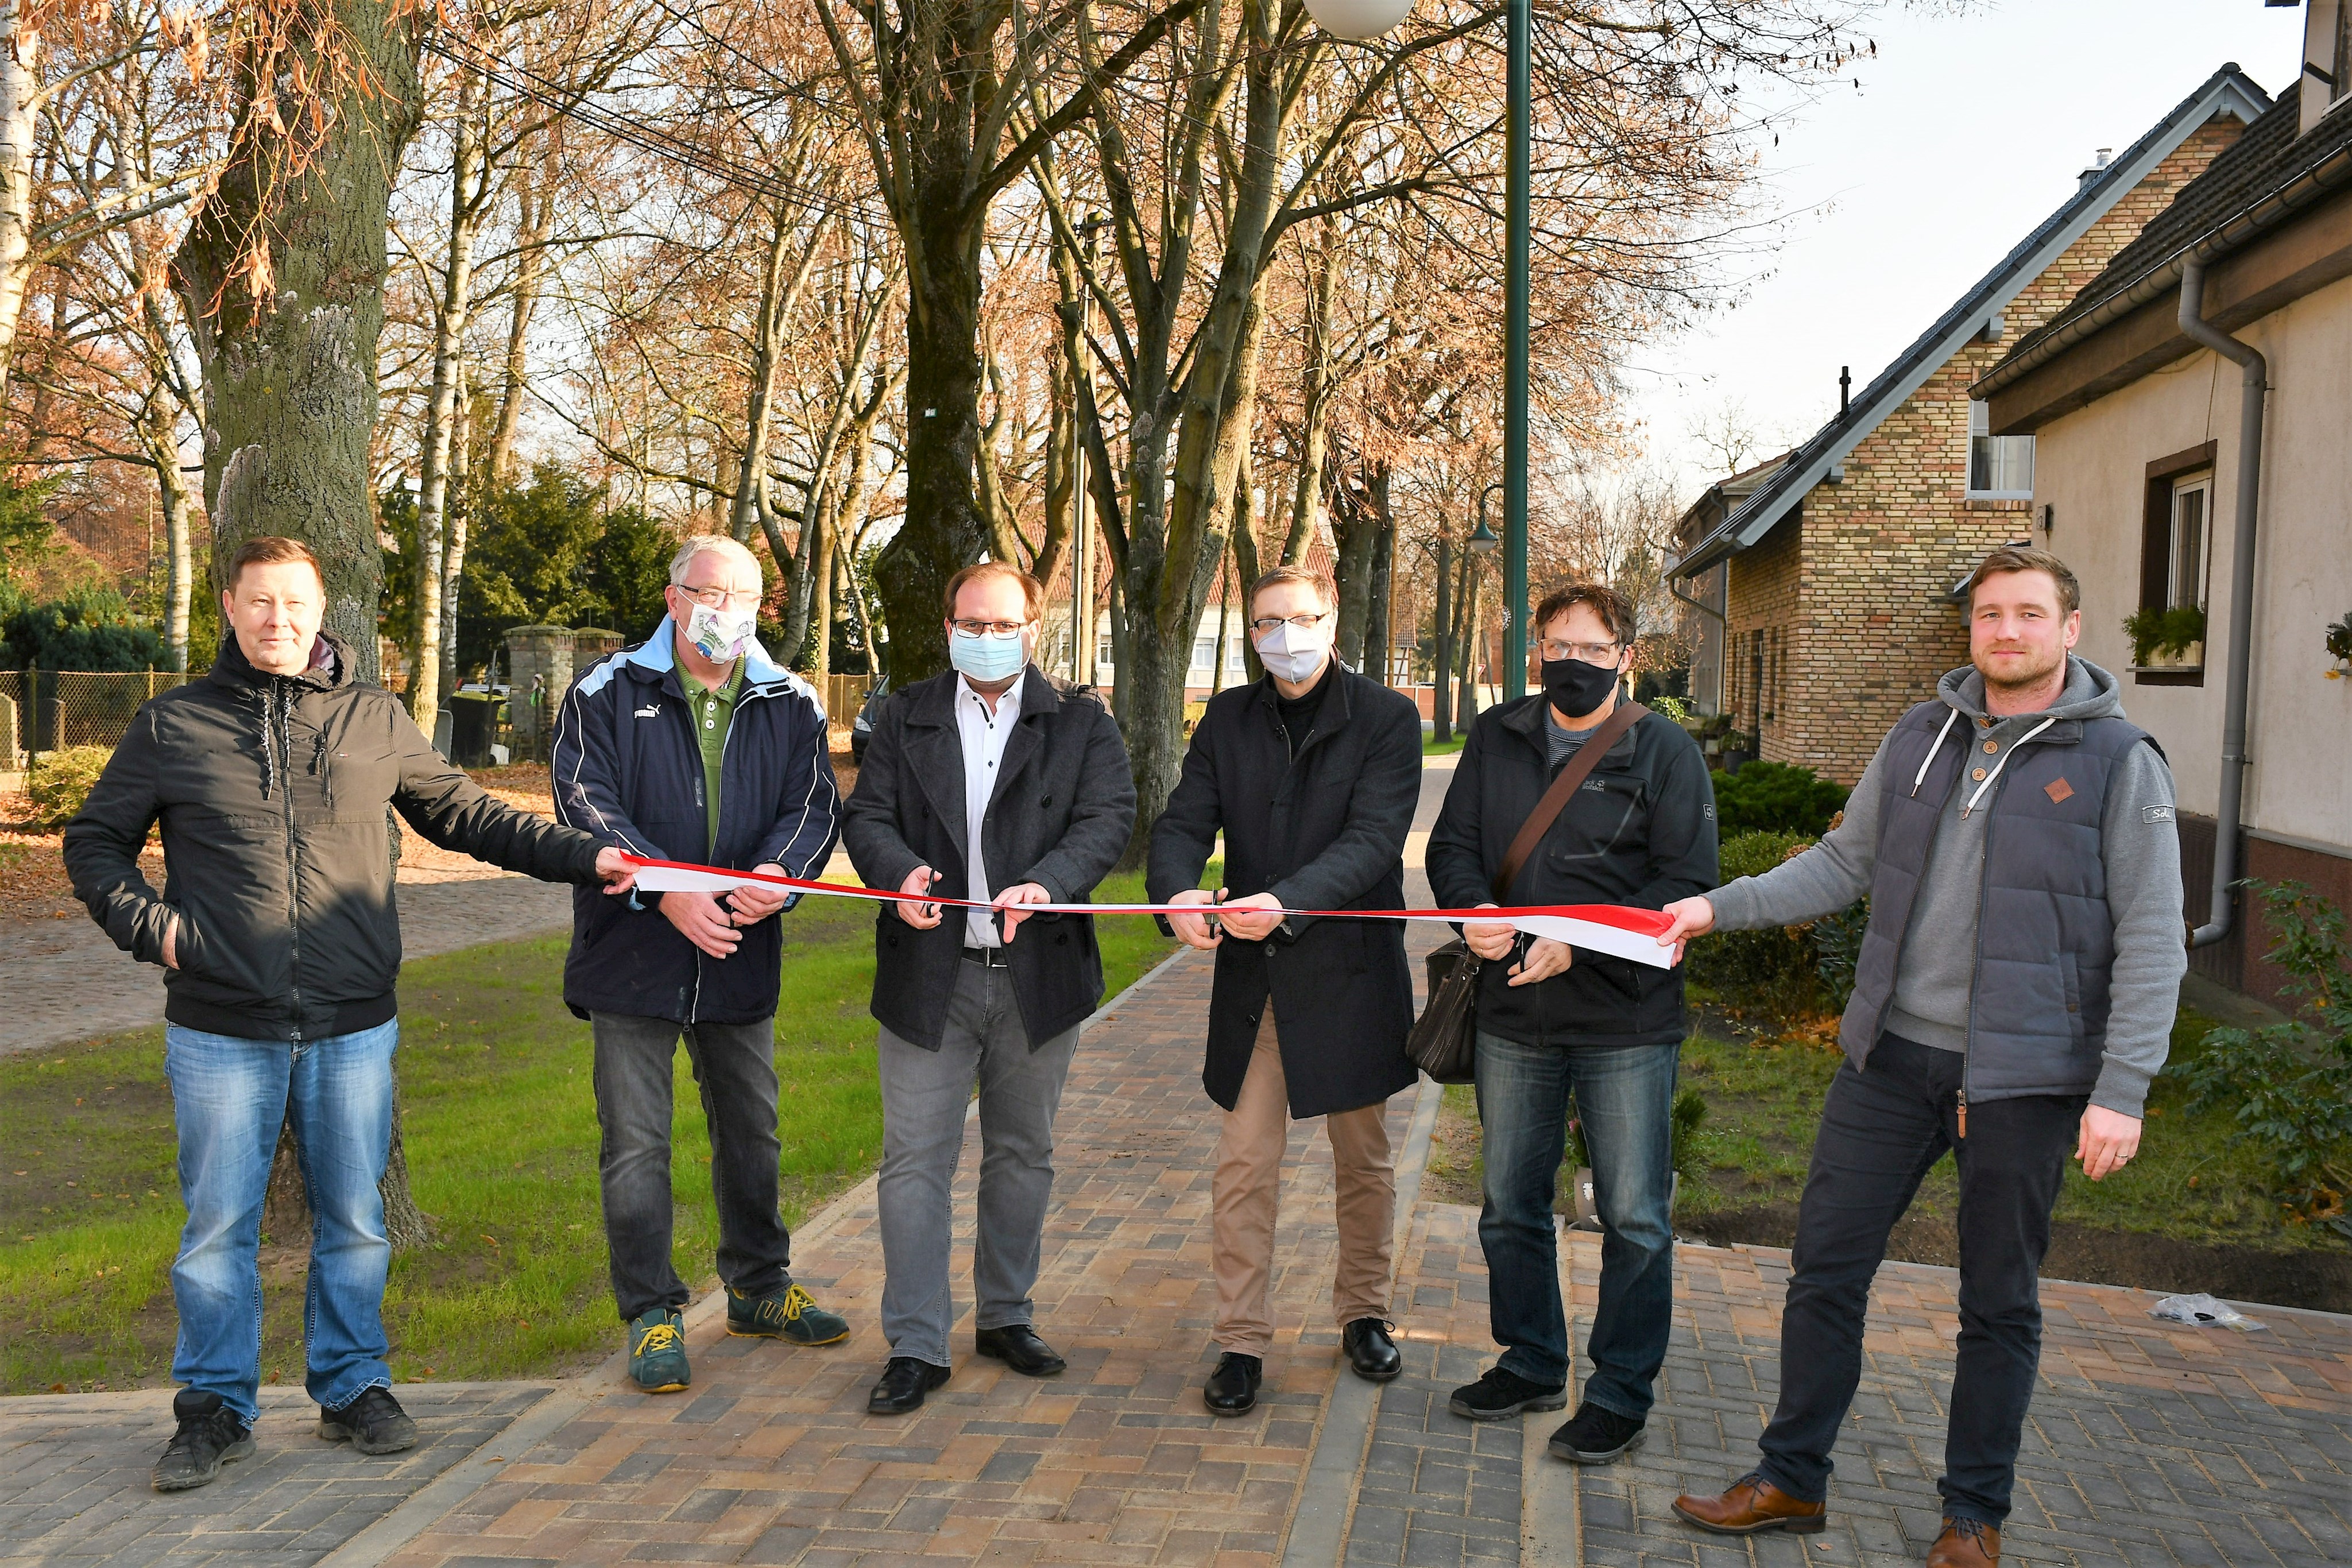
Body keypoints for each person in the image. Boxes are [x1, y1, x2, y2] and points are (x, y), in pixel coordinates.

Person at [64, 536, 637, 1493]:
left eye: (295, 603)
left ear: (323, 609)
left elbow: (468, 815)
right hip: (218, 1025)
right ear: (229, 610)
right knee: (216, 1232)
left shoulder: (375, 719)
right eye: (259, 603)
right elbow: (95, 845)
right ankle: (213, 1410)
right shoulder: (173, 724)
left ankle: (353, 1387)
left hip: (351, 1023)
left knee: (356, 1222)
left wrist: (590, 857)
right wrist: (156, 932)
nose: (277, 620)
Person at [1658, 547, 2184, 1568]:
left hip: (2026, 1083)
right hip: (1890, 1062)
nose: (2008, 632)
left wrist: (2123, 1088)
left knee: (1997, 1305)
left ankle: (1973, 1517)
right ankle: (1791, 1480)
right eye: (1990, 615)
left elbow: (2154, 936)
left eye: (2030, 614)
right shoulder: (1922, 734)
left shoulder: (2122, 762)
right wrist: (1715, 908)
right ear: (1971, 630)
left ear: (2070, 629)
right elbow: (1842, 864)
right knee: (1824, 1268)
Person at [1424, 580, 1719, 1462]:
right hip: (1514, 1011)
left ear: (1627, 658)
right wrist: (1472, 909)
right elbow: (1452, 847)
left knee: (1632, 1215)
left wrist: (1580, 946)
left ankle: (1621, 1392)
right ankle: (1531, 1359)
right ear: (1537, 653)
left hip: (1625, 1020)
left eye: (1594, 650)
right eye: (1560, 646)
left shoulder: (1666, 752)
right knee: (1511, 1202)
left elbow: (1684, 883)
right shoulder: (1498, 734)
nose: (1574, 664)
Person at [552, 535, 850, 1395]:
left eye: (746, 597)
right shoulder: (604, 692)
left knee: (751, 1131)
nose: (727, 612)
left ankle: (759, 1288)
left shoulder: (791, 700)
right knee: (637, 1144)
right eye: (710, 593)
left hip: (739, 952)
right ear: (675, 598)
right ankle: (652, 1313)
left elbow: (813, 807)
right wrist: (666, 889)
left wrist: (777, 879)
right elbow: (583, 800)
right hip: (633, 953)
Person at [841, 561, 1135, 1415]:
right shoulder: (903, 717)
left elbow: (1109, 818)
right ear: (948, 627)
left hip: (1039, 978)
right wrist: (899, 874)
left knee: (1022, 1156)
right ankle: (916, 1343)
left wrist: (1048, 882)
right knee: (914, 1163)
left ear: (1033, 627)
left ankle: (1006, 1315)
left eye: (1005, 624)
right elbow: (867, 818)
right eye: (973, 622)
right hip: (930, 975)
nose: (989, 636)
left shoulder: (1081, 720)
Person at [1147, 566, 1424, 1416]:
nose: (1286, 636)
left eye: (1301, 618)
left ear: (1331, 620)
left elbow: (1376, 838)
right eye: (1267, 622)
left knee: (1364, 1162)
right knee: (1244, 1163)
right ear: (1251, 630)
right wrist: (1176, 893)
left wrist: (1287, 901)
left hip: (1349, 972)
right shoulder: (1228, 718)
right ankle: (1240, 1340)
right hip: (1257, 979)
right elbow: (1187, 818)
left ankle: (1364, 1312)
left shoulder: (1387, 717)